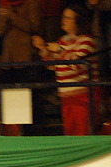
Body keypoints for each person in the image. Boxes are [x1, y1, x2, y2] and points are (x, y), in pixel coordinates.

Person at [32, 4, 100, 136]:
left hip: (83, 97)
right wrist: (43, 49)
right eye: (63, 17)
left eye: (68, 18)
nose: (64, 20)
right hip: (66, 97)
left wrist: (58, 50)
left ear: (79, 21)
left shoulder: (87, 41)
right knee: (71, 134)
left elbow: (78, 63)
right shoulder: (62, 41)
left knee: (83, 133)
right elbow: (54, 65)